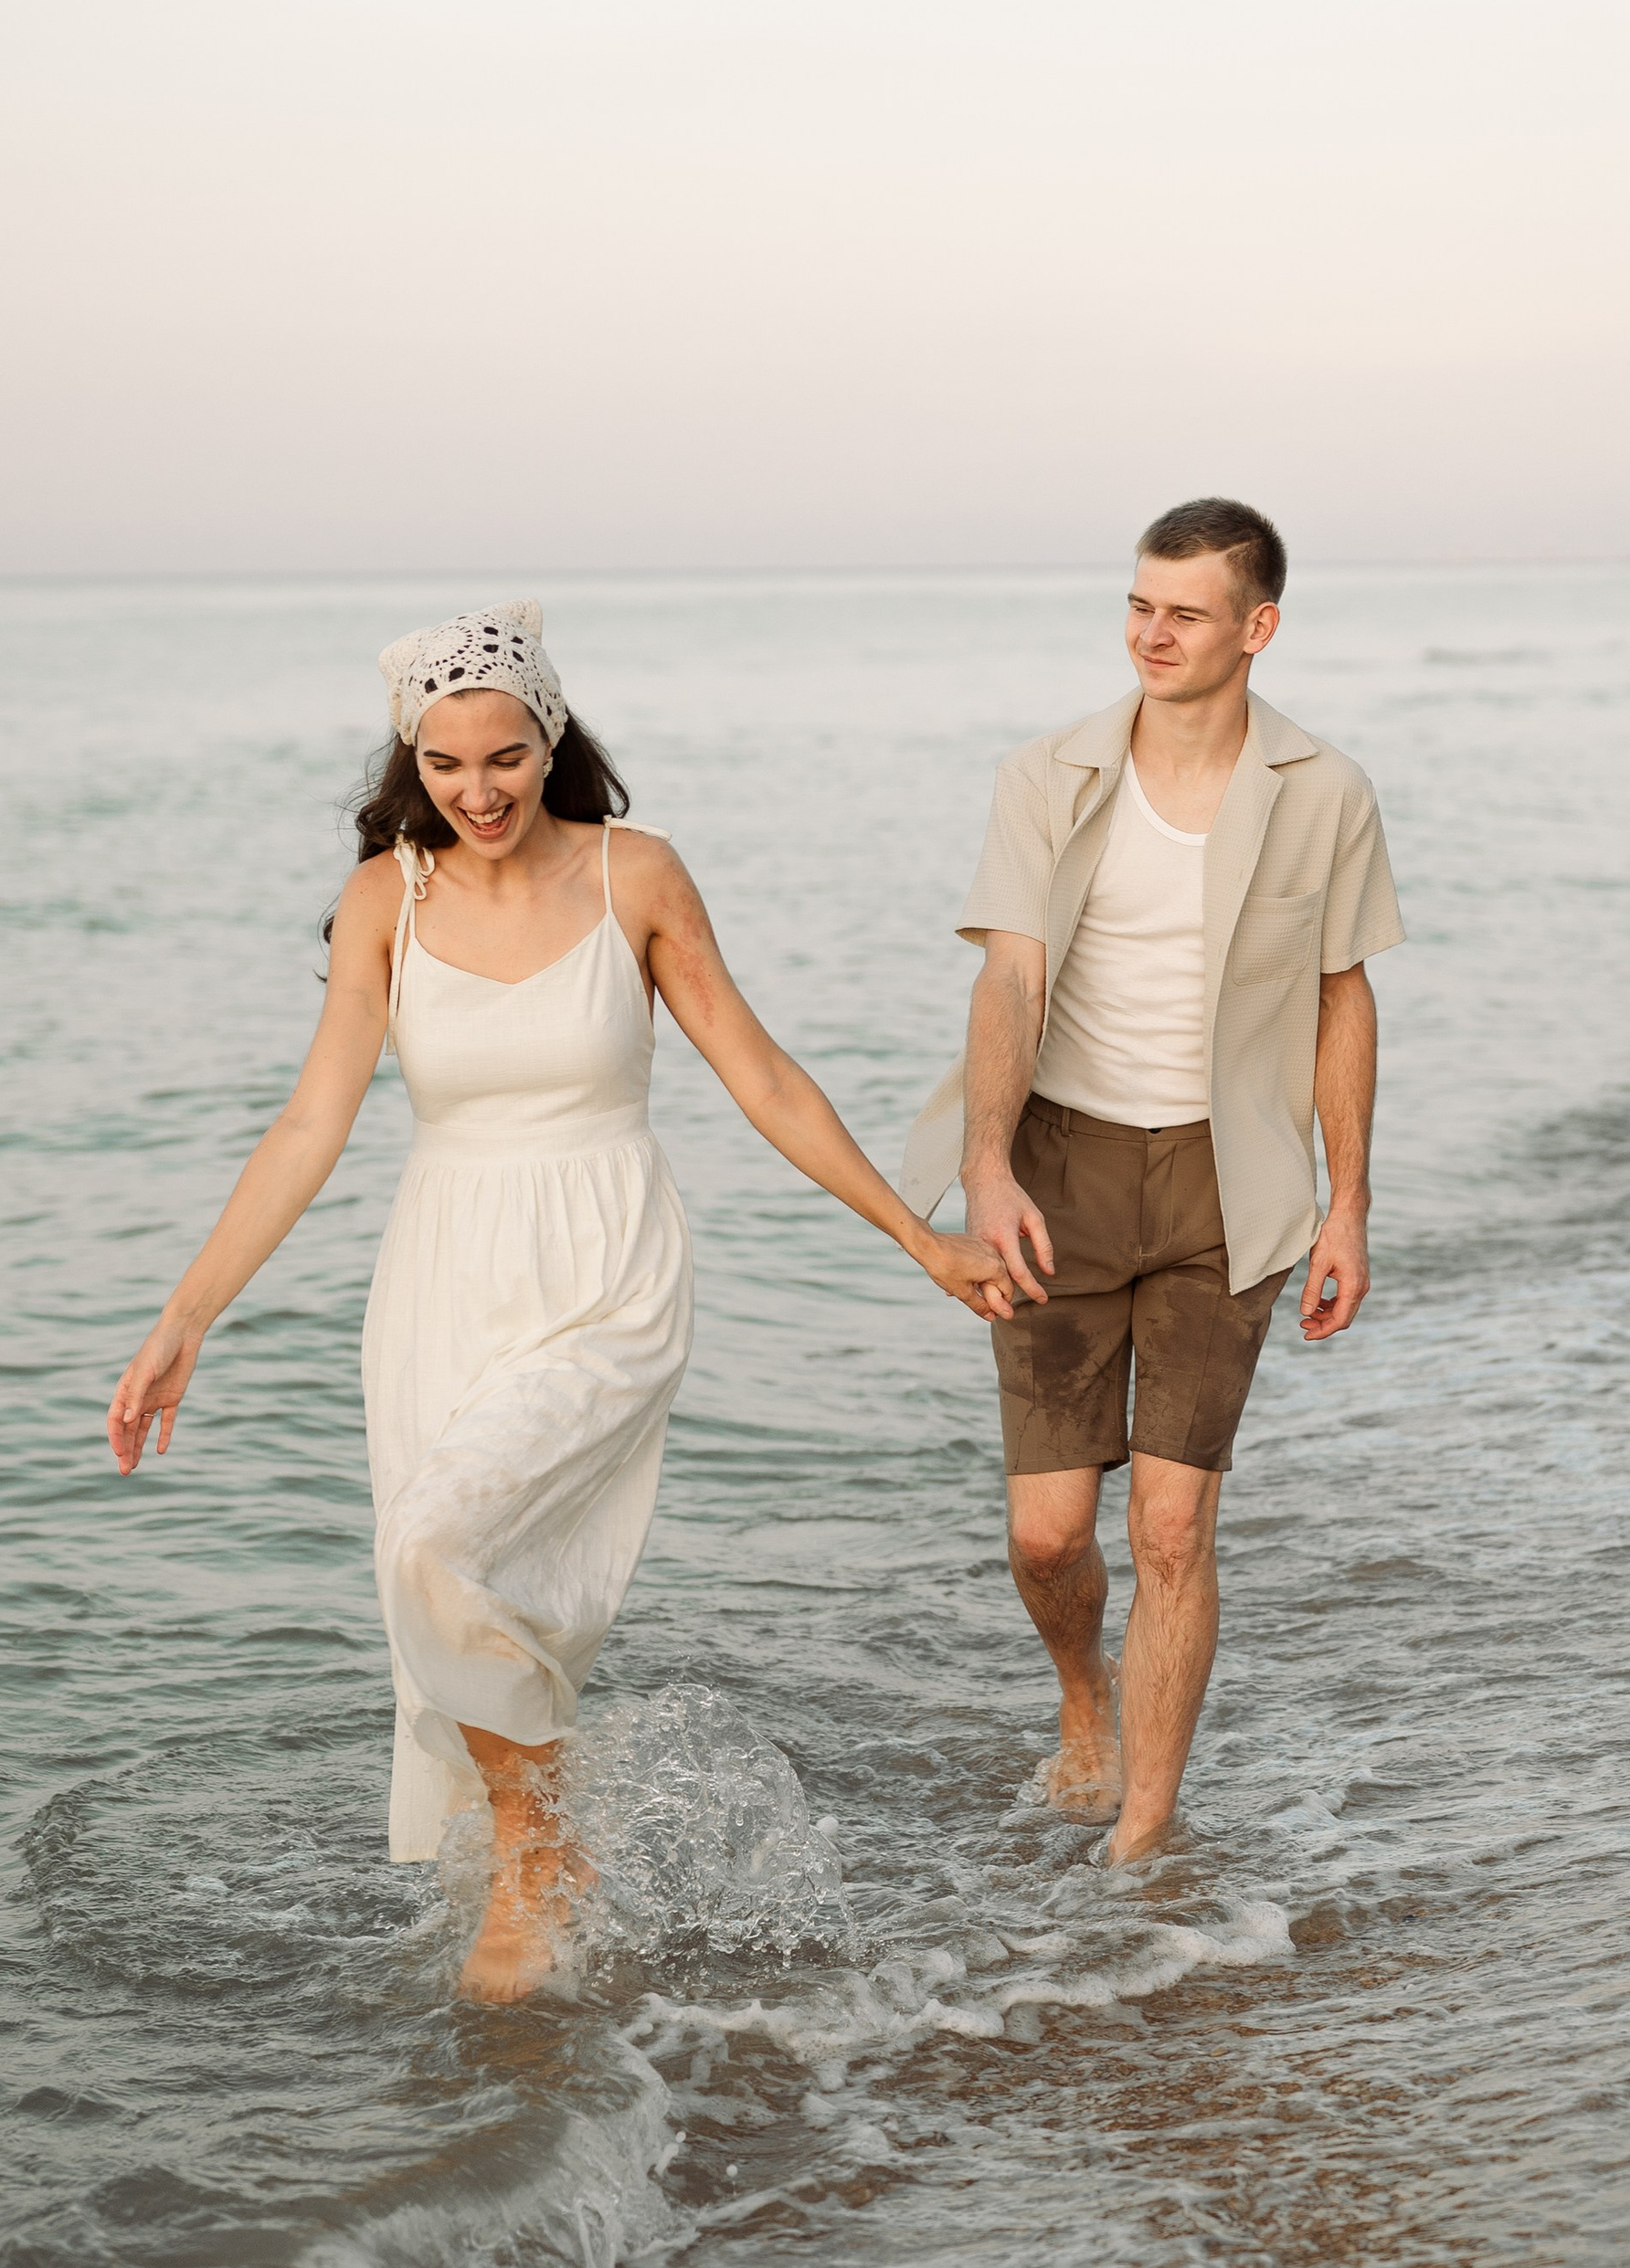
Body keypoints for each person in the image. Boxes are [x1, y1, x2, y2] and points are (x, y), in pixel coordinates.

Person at [109, 603, 1007, 2004]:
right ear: (414, 760)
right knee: (441, 1571)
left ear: (552, 741)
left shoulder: (632, 876)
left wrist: (919, 1237)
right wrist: (187, 1317)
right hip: (442, 1279)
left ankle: (537, 1851)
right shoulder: (382, 903)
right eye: (451, 765)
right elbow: (307, 1128)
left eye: (508, 758)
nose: (481, 792)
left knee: (437, 1546)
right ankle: (548, 1846)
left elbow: (761, 1076)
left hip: (605, 1268)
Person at [900, 501, 1403, 1864]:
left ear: (1258, 628)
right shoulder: (1049, 775)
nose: (1151, 634)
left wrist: (1348, 1200)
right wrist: (985, 1166)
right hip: (1058, 1168)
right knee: (1050, 1537)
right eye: (1138, 604)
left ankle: (1141, 1839)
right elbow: (1008, 975)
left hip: (1225, 1185)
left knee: (1174, 1523)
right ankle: (1083, 1695)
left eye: (1184, 611)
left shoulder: (1326, 791)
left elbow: (1340, 998)